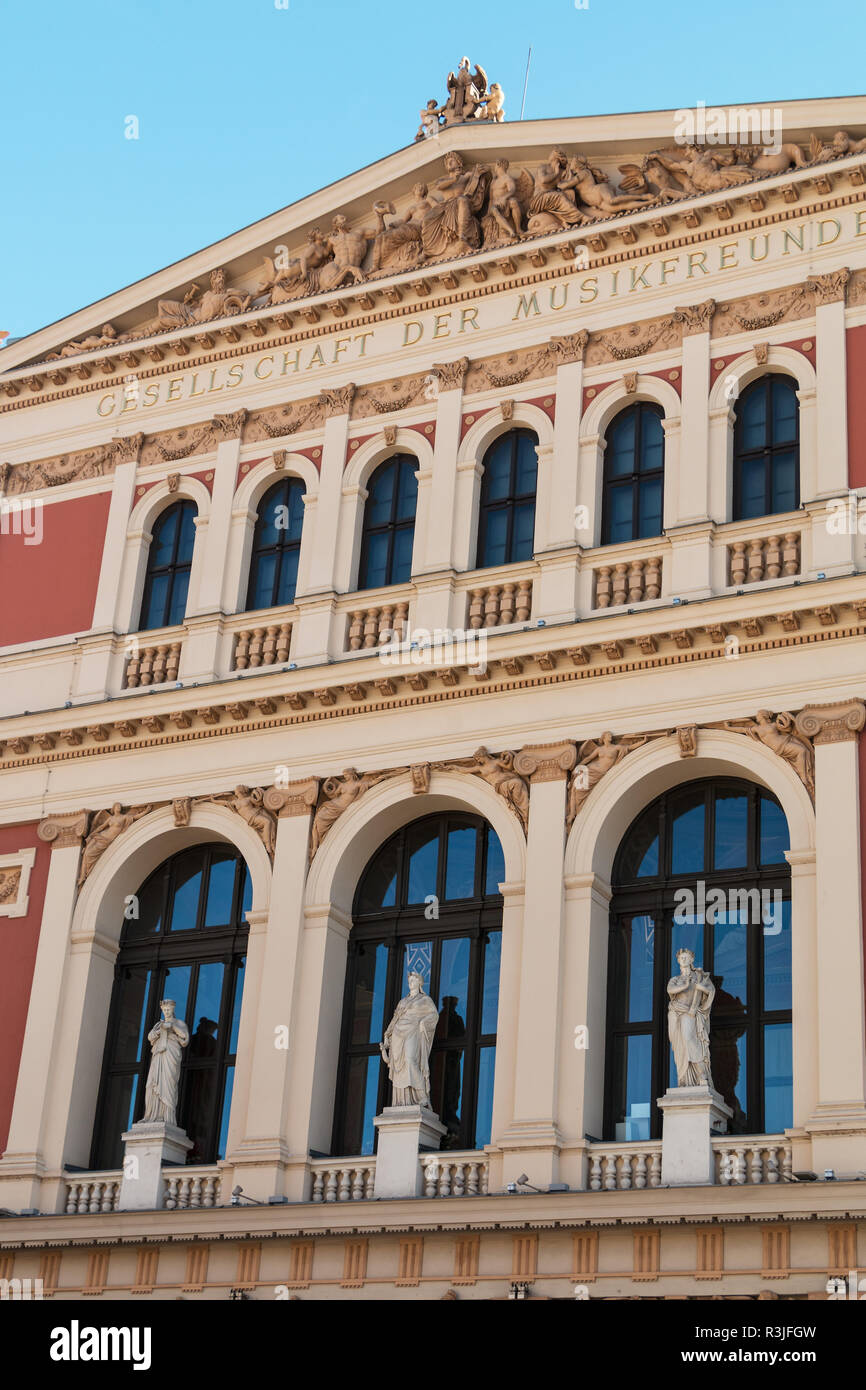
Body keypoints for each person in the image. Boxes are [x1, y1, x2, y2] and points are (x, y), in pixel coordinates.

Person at [380, 972, 439, 1107]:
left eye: (414, 980)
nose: (411, 982)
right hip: (398, 1033)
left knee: (411, 1060)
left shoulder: (425, 1000)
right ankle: (402, 1101)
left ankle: (422, 1096)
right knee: (399, 1066)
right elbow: (395, 1019)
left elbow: (434, 1015)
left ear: (420, 982)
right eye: (409, 980)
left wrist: (424, 1021)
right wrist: (387, 1034)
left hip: (414, 1031)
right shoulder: (403, 1001)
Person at [667, 948, 715, 1089]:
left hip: (690, 1012)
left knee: (689, 1039)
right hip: (675, 1012)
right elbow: (670, 990)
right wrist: (686, 985)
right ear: (678, 960)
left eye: (686, 957)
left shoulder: (699, 977)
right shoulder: (675, 980)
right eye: (681, 958)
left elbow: (711, 991)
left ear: (692, 960)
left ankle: (701, 1074)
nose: (683, 960)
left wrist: (702, 987)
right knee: (679, 1045)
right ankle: (683, 1078)